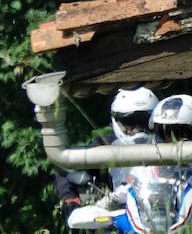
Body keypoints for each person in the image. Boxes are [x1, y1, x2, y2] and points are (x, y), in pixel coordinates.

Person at [55, 87, 157, 222]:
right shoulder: (105, 144)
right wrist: (70, 200)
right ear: (116, 120)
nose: (137, 130)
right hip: (120, 215)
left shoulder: (168, 141)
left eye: (144, 122)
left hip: (166, 208)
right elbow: (67, 165)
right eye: (129, 123)